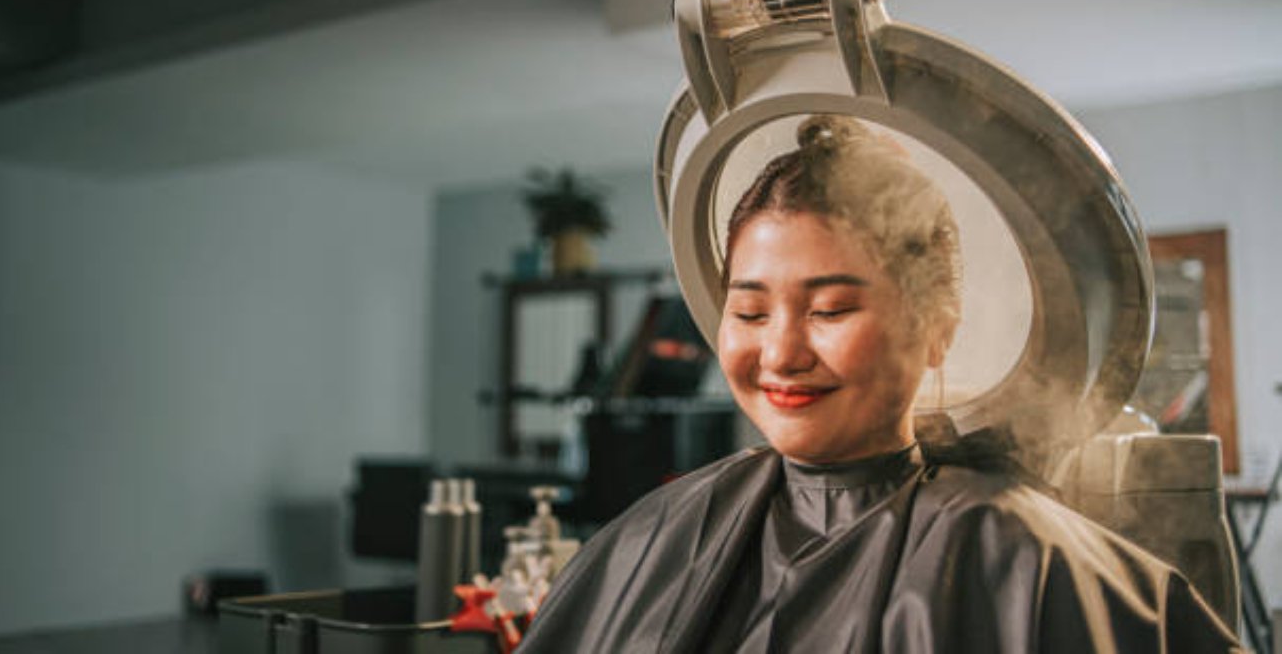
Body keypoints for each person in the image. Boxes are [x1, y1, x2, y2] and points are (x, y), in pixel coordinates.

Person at [517, 115, 1241, 653]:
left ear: (936, 326)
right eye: (750, 309)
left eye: (830, 308)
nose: (781, 350)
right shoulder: (658, 530)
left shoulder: (1017, 553)